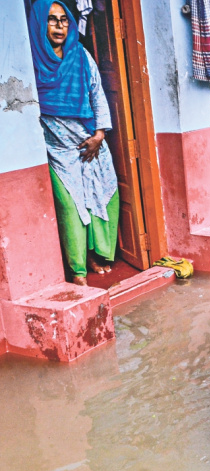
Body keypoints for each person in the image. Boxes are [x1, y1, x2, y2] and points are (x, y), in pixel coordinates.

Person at [28, 0, 119, 286]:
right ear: (40, 24)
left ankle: (98, 254)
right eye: (52, 20)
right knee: (71, 207)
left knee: (101, 196)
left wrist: (99, 135)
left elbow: (97, 92)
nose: (59, 26)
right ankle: (78, 269)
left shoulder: (79, 55)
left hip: (91, 143)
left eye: (64, 20)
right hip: (58, 149)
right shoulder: (30, 59)